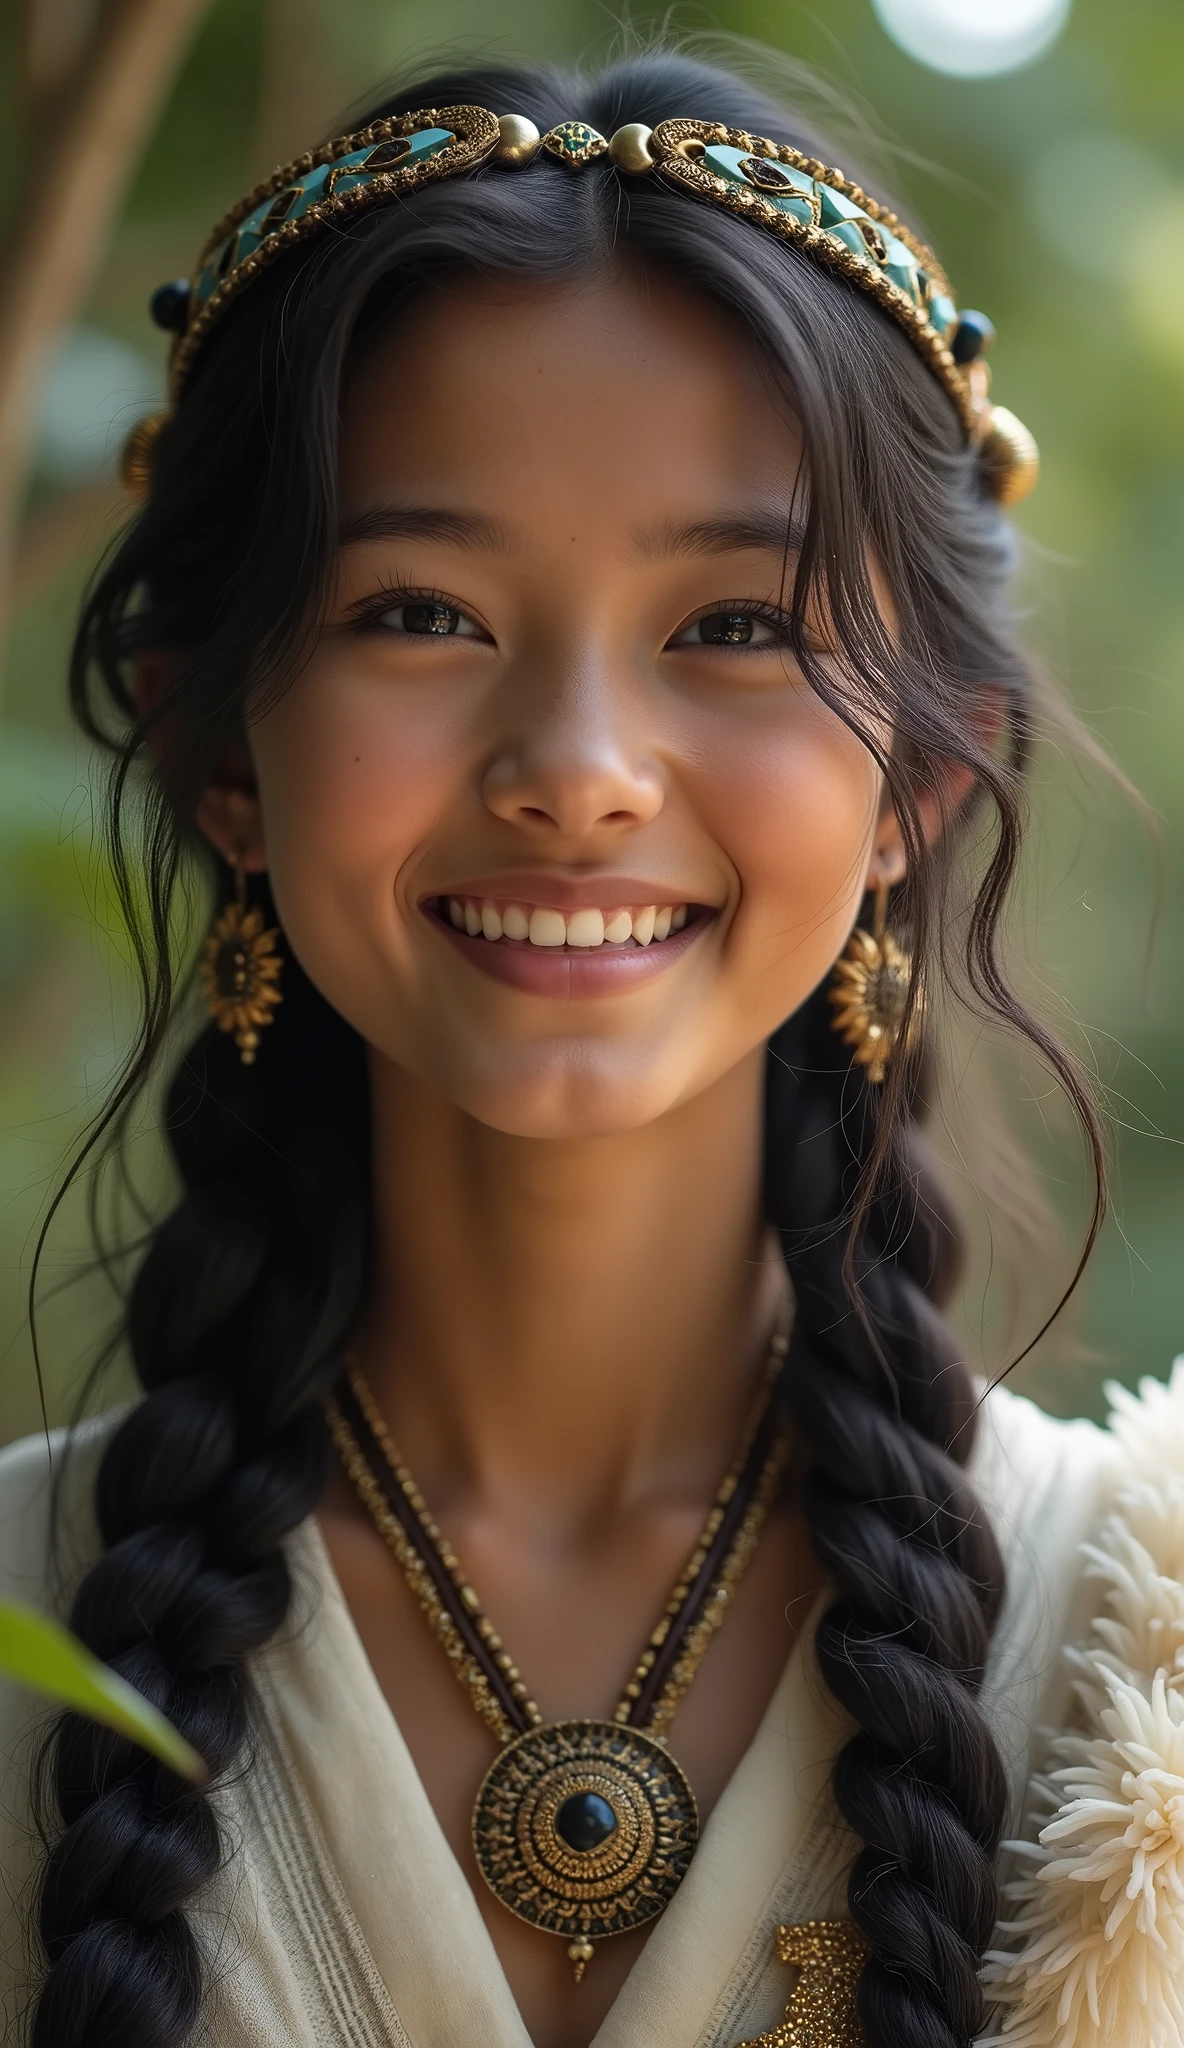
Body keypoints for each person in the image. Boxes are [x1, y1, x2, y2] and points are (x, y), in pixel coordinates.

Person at [1, 45, 1181, 2048]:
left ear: (923, 767)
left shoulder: (1143, 1673)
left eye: (732, 626)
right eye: (420, 613)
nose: (576, 773)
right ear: (218, 754)